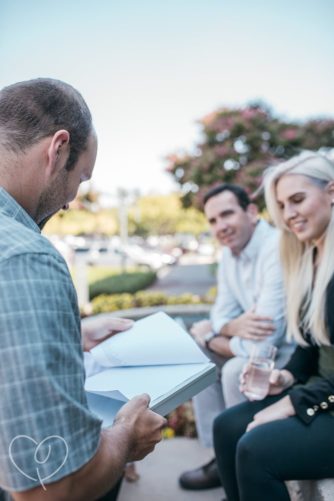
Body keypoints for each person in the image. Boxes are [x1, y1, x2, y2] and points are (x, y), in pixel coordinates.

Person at [0, 78, 166, 501]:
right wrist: (126, 437)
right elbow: (50, 486)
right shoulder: (25, 257)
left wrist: (68, 338)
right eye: (82, 178)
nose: (72, 199)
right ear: (58, 150)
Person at [213, 152, 334, 501]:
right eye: (282, 205)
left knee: (255, 448)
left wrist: (294, 402)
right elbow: (312, 346)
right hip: (321, 390)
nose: (289, 213)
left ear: (331, 192)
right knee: (227, 426)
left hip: (325, 398)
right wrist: (288, 377)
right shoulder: (311, 259)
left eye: (298, 200)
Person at [179, 183, 294, 490]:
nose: (221, 227)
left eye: (227, 214)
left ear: (252, 212)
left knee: (232, 369)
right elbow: (220, 315)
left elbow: (264, 341)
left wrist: (213, 337)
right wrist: (229, 327)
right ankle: (222, 456)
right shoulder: (230, 254)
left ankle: (245, 461)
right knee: (197, 356)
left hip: (289, 354)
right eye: (213, 221)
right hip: (252, 345)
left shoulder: (276, 247)